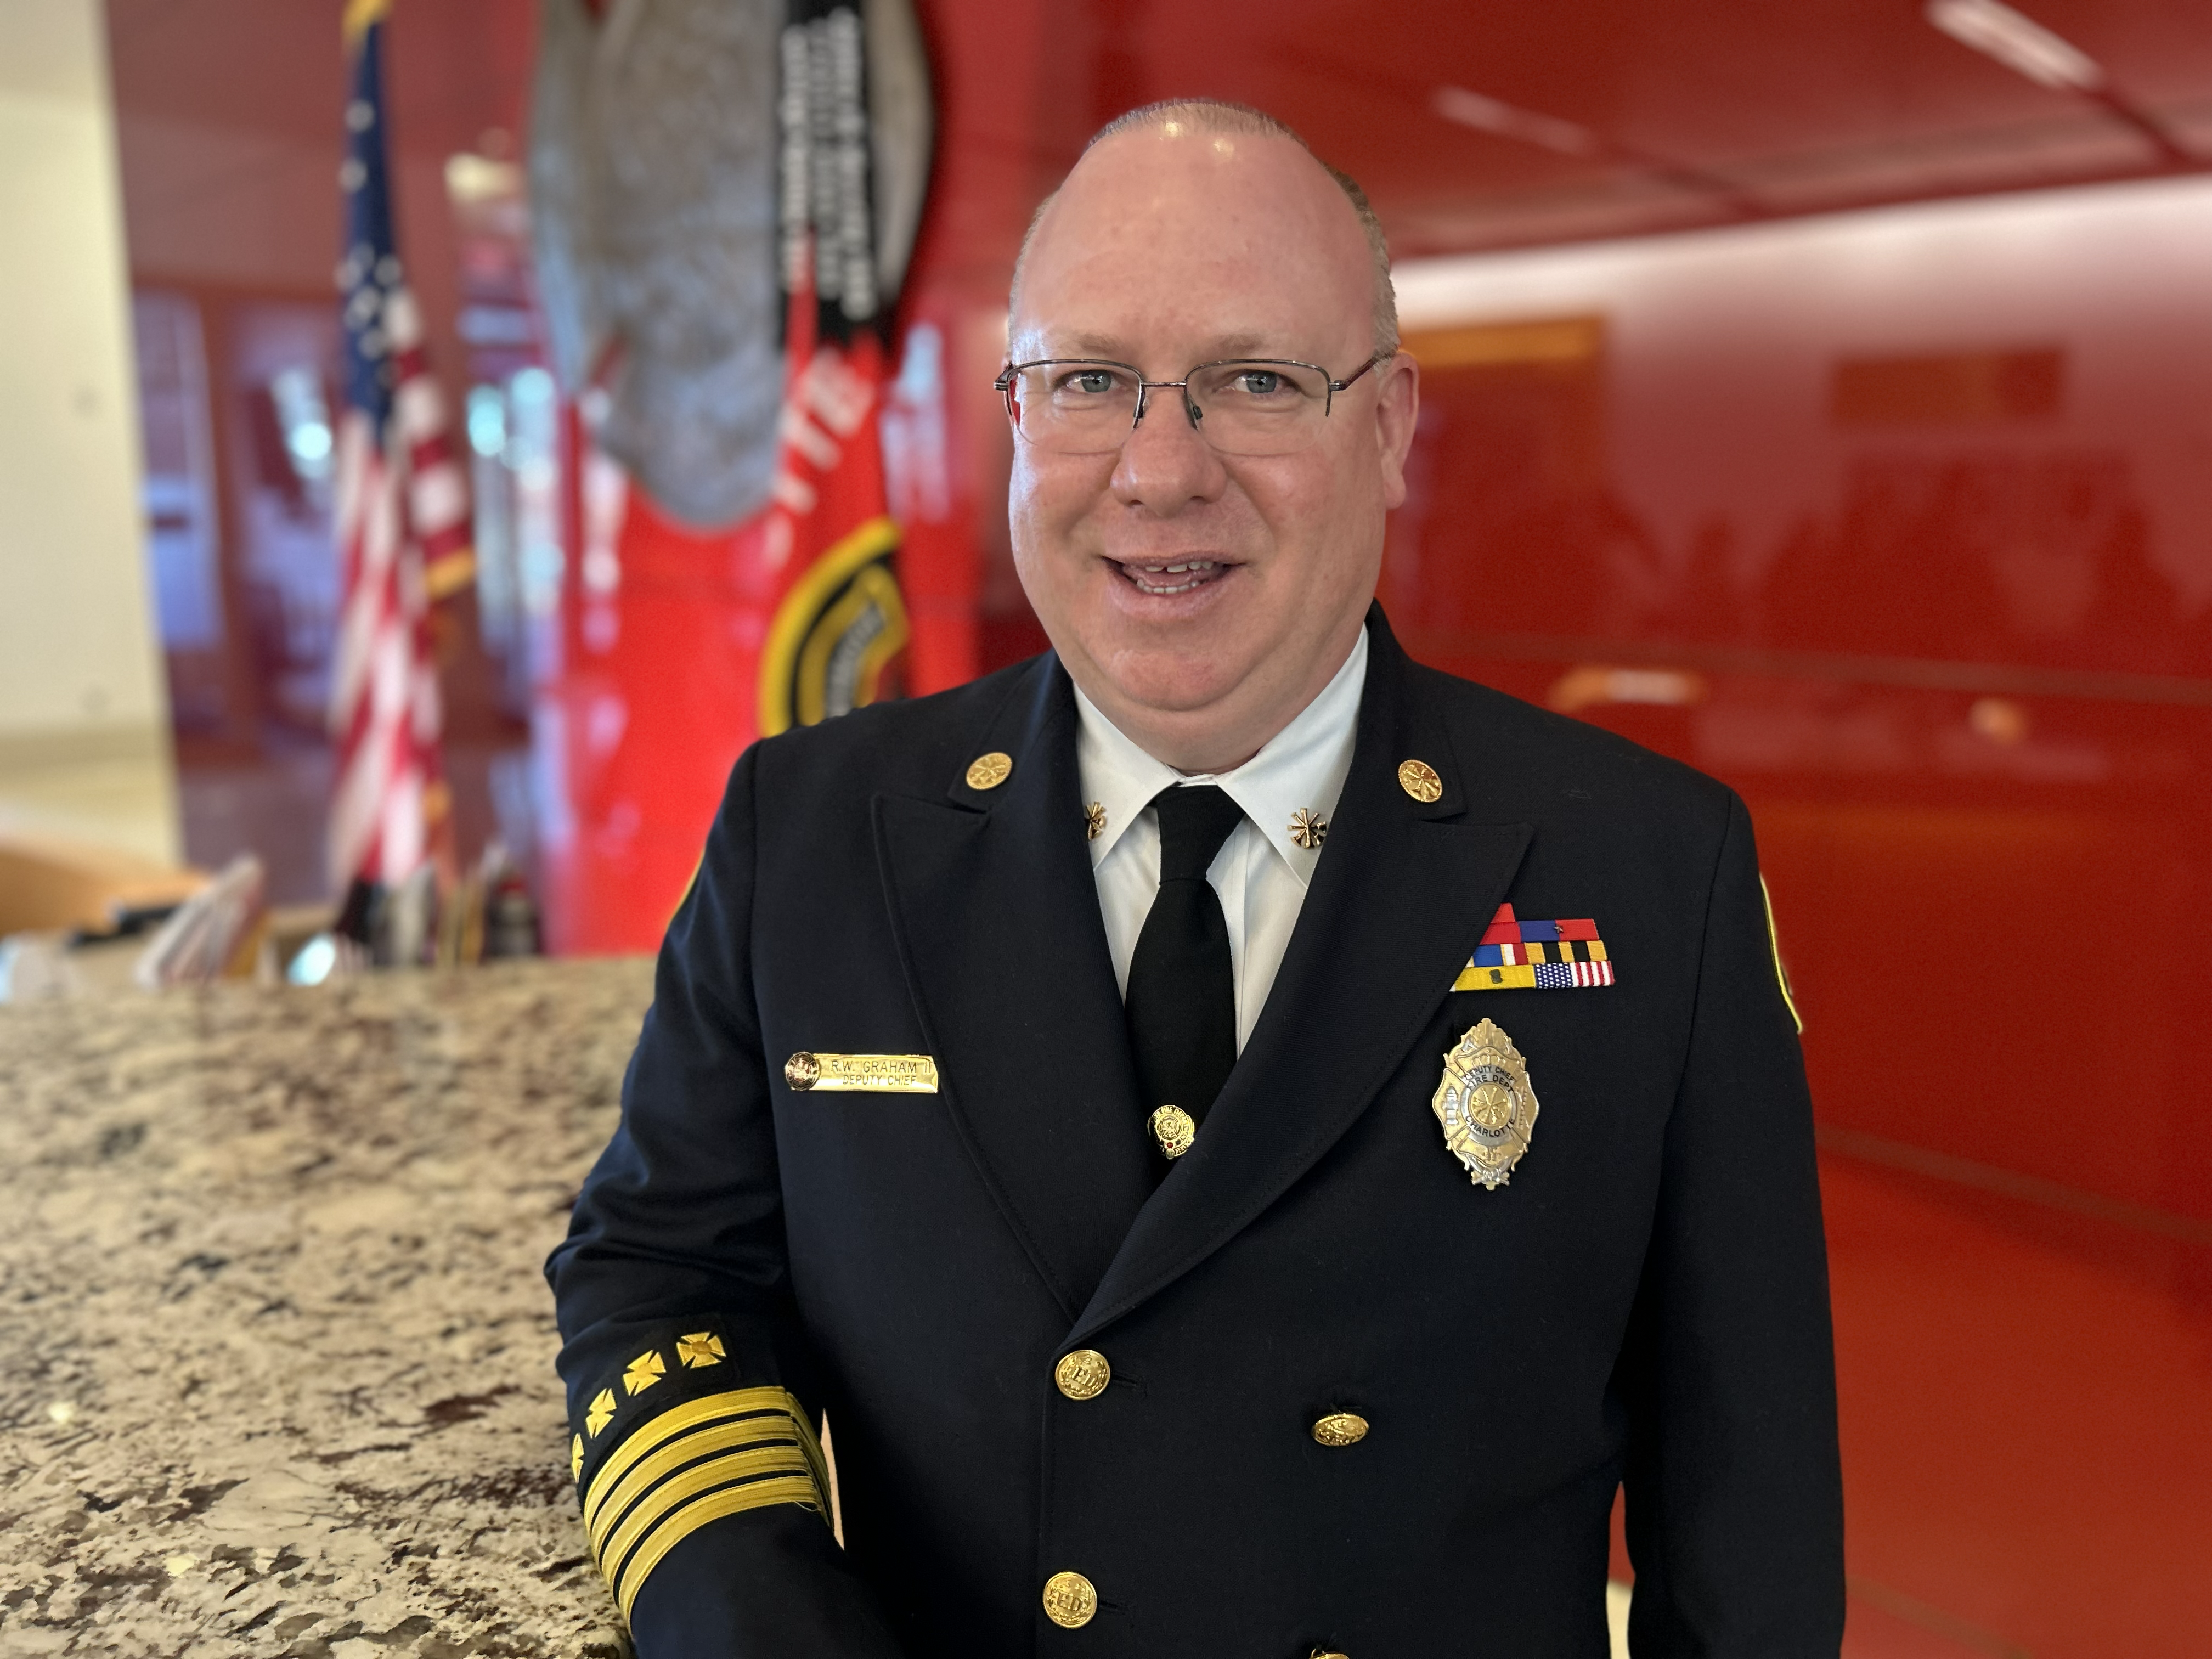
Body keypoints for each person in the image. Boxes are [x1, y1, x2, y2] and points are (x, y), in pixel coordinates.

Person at [547, 99, 1844, 1658]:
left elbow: (1749, 1522)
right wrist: (762, 1624)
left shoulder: (1648, 869)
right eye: (1089, 381)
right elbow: (661, 1272)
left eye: (1255, 382)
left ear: (1389, 424)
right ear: (1020, 415)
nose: (1160, 472)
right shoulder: (812, 834)